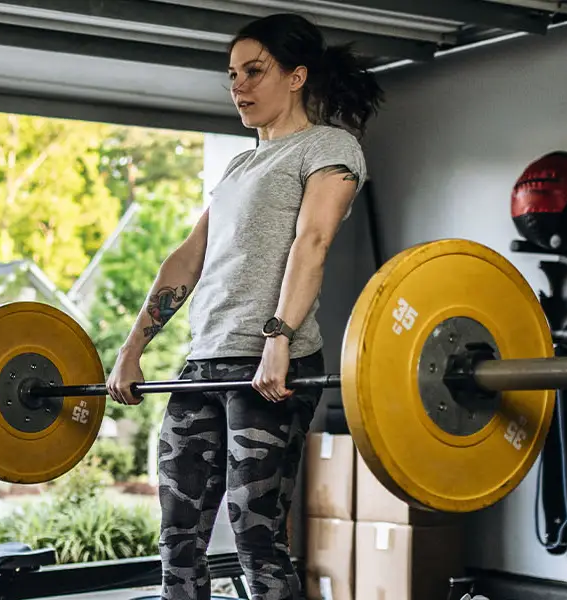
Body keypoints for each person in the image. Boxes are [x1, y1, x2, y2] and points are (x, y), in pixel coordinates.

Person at [105, 12, 384, 600]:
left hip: (269, 368)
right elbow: (188, 258)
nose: (239, 86)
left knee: (256, 538)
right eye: (232, 74)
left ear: (297, 76)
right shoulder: (238, 165)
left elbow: (313, 243)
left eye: (254, 71)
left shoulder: (330, 147)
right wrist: (132, 349)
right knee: (178, 535)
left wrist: (277, 341)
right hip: (202, 363)